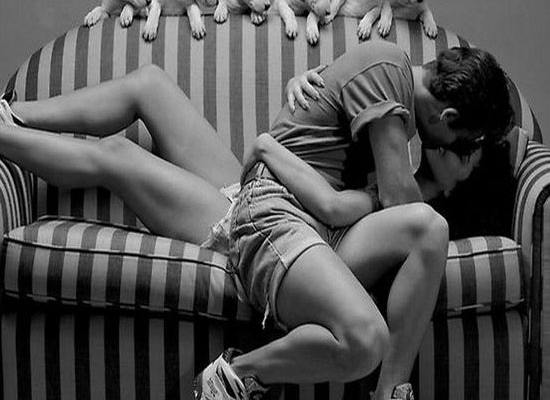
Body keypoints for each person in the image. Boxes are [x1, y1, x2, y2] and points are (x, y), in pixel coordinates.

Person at [0, 40, 513, 400]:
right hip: (269, 206)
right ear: (448, 118)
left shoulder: (393, 98)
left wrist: (429, 183)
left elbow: (381, 204)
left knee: (136, 120)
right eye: (465, 143)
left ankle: (390, 392)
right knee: (131, 125)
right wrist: (441, 181)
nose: (460, 152)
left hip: (292, 208)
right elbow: (398, 200)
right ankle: (12, 117)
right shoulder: (389, 71)